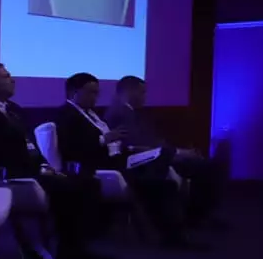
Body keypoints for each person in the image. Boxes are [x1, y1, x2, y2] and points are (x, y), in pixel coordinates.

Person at [0, 62, 111, 259]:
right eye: (5, 77)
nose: (12, 80)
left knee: (87, 182)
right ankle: (69, 249)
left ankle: (76, 246)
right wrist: (35, 169)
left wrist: (44, 164)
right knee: (67, 187)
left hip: (29, 169)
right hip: (5, 175)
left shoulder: (14, 109)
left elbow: (29, 144)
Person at [54, 73, 193, 248]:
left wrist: (128, 148)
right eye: (91, 92)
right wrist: (104, 139)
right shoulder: (67, 114)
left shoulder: (92, 114)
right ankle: (171, 237)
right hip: (99, 165)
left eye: (97, 93)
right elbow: (71, 148)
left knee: (161, 165)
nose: (95, 97)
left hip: (118, 158)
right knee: (160, 182)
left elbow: (112, 142)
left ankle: (172, 232)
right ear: (74, 92)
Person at [107, 74, 222, 225]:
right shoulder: (120, 115)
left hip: (155, 155)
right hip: (145, 162)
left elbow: (151, 141)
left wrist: (176, 150)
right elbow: (136, 145)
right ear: (129, 91)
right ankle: (196, 218)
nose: (145, 96)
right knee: (204, 167)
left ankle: (197, 215)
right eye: (142, 92)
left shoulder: (130, 113)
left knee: (201, 164)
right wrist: (177, 152)